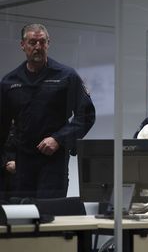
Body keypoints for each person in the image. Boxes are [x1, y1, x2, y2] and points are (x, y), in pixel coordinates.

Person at [0, 23, 96, 199]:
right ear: (23, 45)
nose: (38, 47)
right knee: (22, 218)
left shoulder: (66, 76)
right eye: (32, 42)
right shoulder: (9, 82)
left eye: (42, 42)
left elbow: (86, 115)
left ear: (48, 43)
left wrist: (59, 139)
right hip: (23, 163)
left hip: (54, 161)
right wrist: (5, 159)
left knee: (51, 215)